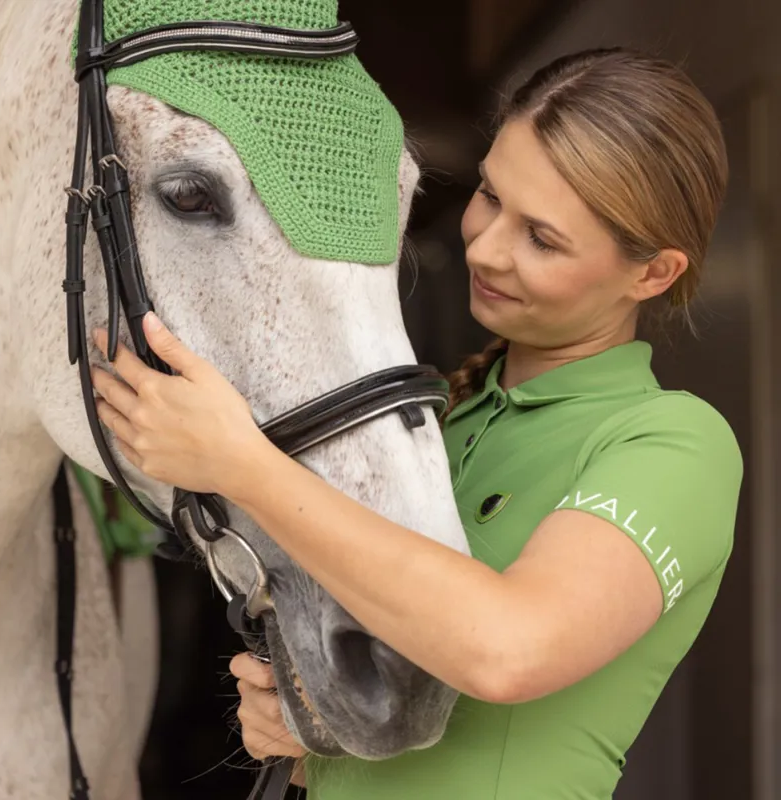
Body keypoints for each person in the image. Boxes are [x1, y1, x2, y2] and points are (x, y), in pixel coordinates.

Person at [90, 47, 743, 799]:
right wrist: (311, 732)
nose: (486, 247)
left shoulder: (673, 443)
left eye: (543, 238)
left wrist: (242, 464)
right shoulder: (436, 435)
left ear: (653, 273)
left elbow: (507, 650)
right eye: (491, 196)